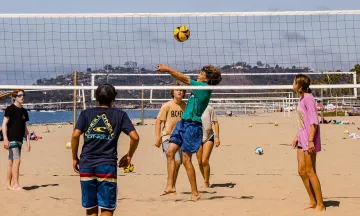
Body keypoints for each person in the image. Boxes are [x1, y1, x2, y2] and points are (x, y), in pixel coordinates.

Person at [156, 64, 222, 201]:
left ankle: (195, 192)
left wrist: (168, 69)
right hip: (183, 123)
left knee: (186, 160)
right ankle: (170, 186)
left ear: (207, 77)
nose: (198, 74)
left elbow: (184, 79)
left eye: (201, 73)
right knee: (169, 152)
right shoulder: (199, 87)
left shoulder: (203, 88)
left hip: (193, 126)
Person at [71, 84, 140, 216]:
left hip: (87, 164)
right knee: (107, 207)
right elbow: (135, 138)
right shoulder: (120, 115)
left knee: (91, 207)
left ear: (96, 98)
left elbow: (75, 135)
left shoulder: (86, 114)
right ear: (113, 99)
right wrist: (129, 155)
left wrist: (74, 157)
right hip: (107, 165)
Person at [292, 74, 325, 212]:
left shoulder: (308, 99)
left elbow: (314, 122)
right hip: (302, 138)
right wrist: (296, 136)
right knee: (301, 171)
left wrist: (310, 140)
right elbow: (303, 122)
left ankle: (320, 204)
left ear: (299, 85)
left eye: (293, 82)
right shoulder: (301, 99)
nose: (292, 84)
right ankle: (312, 200)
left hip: (309, 140)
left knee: (310, 171)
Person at [155, 81, 187, 196]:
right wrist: (158, 138)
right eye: (177, 89)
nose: (179, 91)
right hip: (167, 136)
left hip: (181, 137)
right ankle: (170, 186)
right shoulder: (167, 105)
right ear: (172, 92)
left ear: (184, 93)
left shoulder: (185, 106)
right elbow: (158, 122)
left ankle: (171, 186)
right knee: (174, 160)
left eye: (181, 90)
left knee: (178, 163)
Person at [2, 89, 31, 191]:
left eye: (23, 95)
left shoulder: (24, 111)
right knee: (17, 160)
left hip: (20, 140)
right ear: (14, 97)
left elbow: (25, 128)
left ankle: (7, 184)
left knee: (11, 161)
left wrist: (28, 141)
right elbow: (4, 124)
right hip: (12, 138)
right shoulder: (10, 109)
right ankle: (15, 184)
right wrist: (5, 139)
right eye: (19, 95)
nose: (22, 97)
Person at [196, 105, 220, 188]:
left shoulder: (209, 108)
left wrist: (217, 137)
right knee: (199, 162)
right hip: (196, 138)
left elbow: (215, 123)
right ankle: (205, 179)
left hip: (209, 137)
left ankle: (206, 182)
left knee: (204, 161)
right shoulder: (192, 108)